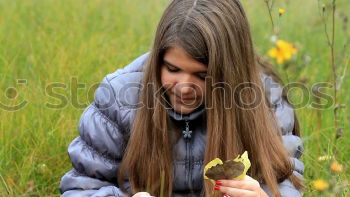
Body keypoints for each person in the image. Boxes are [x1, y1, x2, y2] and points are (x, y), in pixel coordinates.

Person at [59, 0, 304, 196]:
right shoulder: (118, 96)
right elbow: (80, 187)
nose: (184, 88)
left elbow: (287, 182)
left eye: (203, 75)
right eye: (172, 69)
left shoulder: (264, 99)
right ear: (158, 59)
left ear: (229, 72)